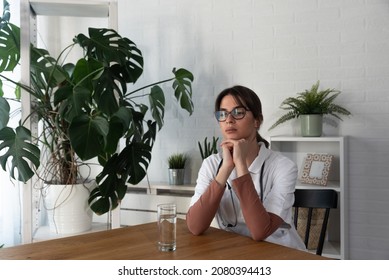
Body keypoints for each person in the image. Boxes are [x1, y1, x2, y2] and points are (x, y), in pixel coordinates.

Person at [186, 85, 306, 250]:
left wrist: (240, 165)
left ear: (257, 120)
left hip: (280, 252)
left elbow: (259, 232)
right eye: (223, 114)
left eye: (238, 112)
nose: (229, 120)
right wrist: (226, 168)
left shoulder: (283, 167)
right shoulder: (212, 164)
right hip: (236, 251)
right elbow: (195, 226)